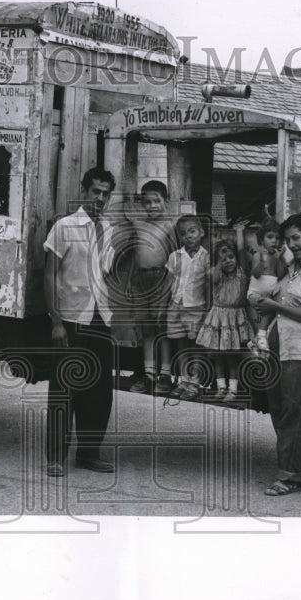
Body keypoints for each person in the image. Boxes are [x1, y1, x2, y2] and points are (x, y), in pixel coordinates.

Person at [43, 167, 119, 477]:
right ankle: (56, 458)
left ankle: (89, 455)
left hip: (100, 318)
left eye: (105, 194)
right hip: (71, 319)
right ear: (84, 192)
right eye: (95, 192)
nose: (100, 198)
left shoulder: (110, 229)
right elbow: (49, 274)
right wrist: (56, 321)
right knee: (65, 390)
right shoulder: (65, 227)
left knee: (99, 392)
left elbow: (107, 274)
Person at [254, 213, 301, 495]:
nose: (292, 244)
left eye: (296, 238)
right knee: (280, 410)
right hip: (279, 347)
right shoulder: (290, 270)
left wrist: (273, 305)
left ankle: (287, 476)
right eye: (288, 240)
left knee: (293, 413)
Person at [125, 180, 178, 395]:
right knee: (146, 330)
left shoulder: (170, 225)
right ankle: (148, 375)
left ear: (166, 201)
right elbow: (133, 255)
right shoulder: (139, 224)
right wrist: (130, 279)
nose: (152, 206)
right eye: (147, 202)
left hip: (162, 278)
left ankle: (165, 375)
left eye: (157, 201)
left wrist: (169, 285)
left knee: (162, 327)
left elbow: (175, 257)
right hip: (140, 280)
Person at [195, 238, 253, 401]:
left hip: (234, 318)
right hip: (219, 318)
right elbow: (213, 276)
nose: (228, 261)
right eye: (223, 259)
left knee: (232, 355)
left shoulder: (241, 273)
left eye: (231, 257)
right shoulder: (217, 275)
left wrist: (239, 232)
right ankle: (221, 387)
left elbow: (241, 250)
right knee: (218, 355)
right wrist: (218, 261)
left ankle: (232, 390)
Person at [164, 214, 210, 400]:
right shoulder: (175, 257)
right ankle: (183, 380)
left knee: (195, 346)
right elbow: (168, 283)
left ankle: (195, 382)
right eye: (184, 234)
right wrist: (163, 306)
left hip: (196, 308)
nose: (188, 236)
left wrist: (208, 309)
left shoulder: (206, 257)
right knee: (181, 344)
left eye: (192, 231)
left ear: (201, 232)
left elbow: (208, 285)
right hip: (175, 307)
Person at [247, 217, 287, 354]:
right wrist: (262, 263)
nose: (274, 241)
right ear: (262, 240)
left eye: (277, 238)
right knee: (257, 315)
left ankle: (259, 338)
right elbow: (256, 274)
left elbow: (281, 274)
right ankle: (259, 337)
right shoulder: (258, 255)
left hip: (269, 296)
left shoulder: (277, 258)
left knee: (270, 309)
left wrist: (279, 258)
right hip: (254, 294)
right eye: (270, 237)